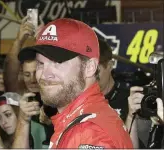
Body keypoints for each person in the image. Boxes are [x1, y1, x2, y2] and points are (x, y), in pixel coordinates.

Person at [16, 18, 133, 148]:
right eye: (40, 64)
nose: (44, 74)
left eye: (57, 62)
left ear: (89, 67)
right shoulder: (76, 121)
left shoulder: (90, 133)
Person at [4, 16, 55, 149]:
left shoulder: (58, 92)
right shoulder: (22, 94)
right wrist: (19, 39)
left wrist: (43, 41)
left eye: (35, 73)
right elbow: (9, 73)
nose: (32, 79)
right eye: (27, 74)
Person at [98, 39, 130, 122]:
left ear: (110, 66)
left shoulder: (129, 102)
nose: (90, 77)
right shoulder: (76, 102)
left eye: (96, 71)